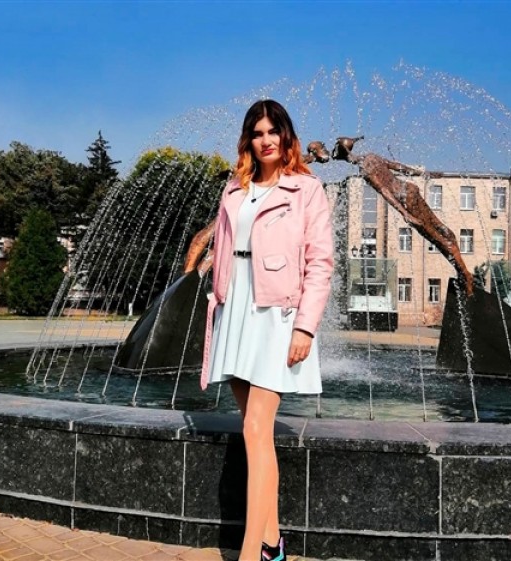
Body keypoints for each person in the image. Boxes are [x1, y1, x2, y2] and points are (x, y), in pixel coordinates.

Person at [200, 99, 334, 561]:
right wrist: (216, 299)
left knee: (256, 427)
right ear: (248, 141)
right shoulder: (234, 189)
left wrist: (306, 328)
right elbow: (222, 250)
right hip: (235, 308)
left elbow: (320, 263)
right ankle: (274, 546)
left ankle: (248, 555)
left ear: (286, 136)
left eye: (273, 131)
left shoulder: (306, 189)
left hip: (278, 313)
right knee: (256, 435)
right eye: (257, 133)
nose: (266, 140)